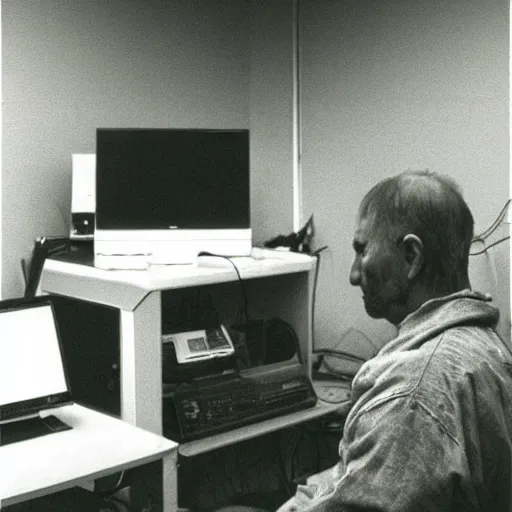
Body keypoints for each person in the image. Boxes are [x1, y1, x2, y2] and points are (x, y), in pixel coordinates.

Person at [275, 170, 512, 511]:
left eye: (362, 250)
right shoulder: (486, 345)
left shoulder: (414, 391)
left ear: (411, 257)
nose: (354, 274)